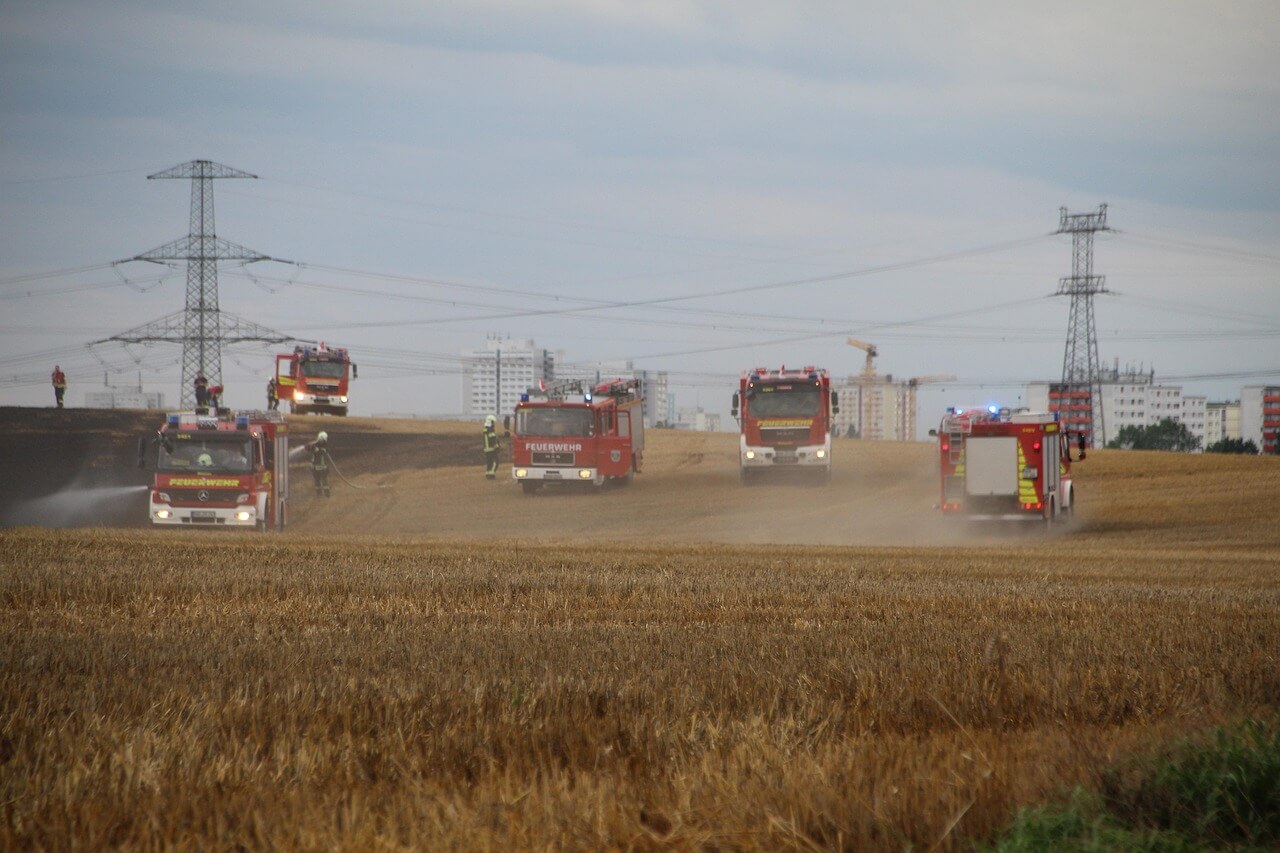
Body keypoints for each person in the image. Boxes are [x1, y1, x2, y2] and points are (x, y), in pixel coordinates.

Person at [309, 431, 331, 497]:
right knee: (317, 481)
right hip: (316, 467)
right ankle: (319, 493)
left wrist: (319, 450)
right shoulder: (314, 446)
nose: (323, 441)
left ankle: (326, 494)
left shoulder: (324, 447)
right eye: (323, 440)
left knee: (324, 481)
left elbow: (325, 450)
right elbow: (311, 449)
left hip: (321, 467)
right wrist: (316, 449)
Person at [483, 414, 500, 480]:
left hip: (486, 449)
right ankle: (491, 474)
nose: (494, 424)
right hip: (491, 449)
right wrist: (497, 447)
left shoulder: (485, 430)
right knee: (496, 462)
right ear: (490, 422)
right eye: (493, 422)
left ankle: (487, 474)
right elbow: (493, 439)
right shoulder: (490, 430)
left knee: (489, 463)